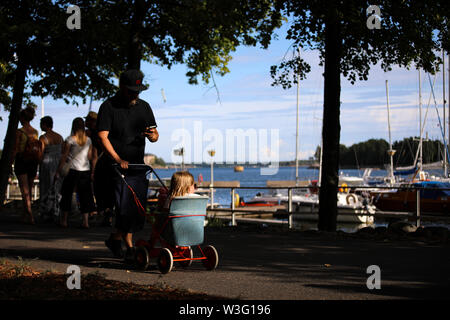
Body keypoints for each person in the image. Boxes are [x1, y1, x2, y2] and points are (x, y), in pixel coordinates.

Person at [98, 69, 159, 262]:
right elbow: (102, 136)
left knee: (138, 208)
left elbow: (155, 134)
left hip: (137, 165)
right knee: (125, 206)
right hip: (116, 166)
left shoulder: (144, 107)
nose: (135, 94)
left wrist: (153, 136)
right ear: (122, 87)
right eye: (132, 91)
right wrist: (117, 158)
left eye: (138, 91)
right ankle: (130, 248)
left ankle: (115, 239)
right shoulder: (109, 106)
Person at [57, 117, 97, 228]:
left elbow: (64, 156)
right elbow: (90, 156)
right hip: (85, 170)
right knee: (85, 195)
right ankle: (85, 222)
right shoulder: (88, 140)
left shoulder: (70, 139)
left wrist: (59, 170)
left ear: (73, 126)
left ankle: (64, 220)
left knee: (67, 194)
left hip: (72, 170)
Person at [85, 111, 114, 227]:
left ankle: (104, 213)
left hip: (100, 165)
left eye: (87, 120)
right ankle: (108, 213)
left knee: (99, 190)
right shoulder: (105, 131)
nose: (86, 122)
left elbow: (94, 155)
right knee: (108, 190)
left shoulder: (94, 135)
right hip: (109, 164)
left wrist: (93, 170)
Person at [13, 106, 40, 225]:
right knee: (29, 188)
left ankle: (29, 213)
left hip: (22, 160)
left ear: (22, 118)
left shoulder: (19, 132)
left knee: (24, 189)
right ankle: (25, 214)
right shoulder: (35, 132)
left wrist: (11, 161)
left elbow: (16, 148)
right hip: (33, 161)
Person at [38, 116, 64, 222]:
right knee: (57, 187)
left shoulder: (43, 138)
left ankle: (46, 211)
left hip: (47, 163)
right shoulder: (59, 137)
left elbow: (40, 153)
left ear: (45, 125)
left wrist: (39, 163)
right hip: (57, 163)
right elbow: (62, 152)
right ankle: (56, 210)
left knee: (45, 187)